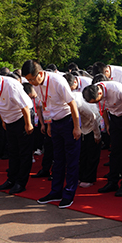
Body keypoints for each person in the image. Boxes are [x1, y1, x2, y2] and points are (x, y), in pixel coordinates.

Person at [22, 60, 82, 209]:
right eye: (28, 80)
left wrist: (76, 127)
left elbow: (72, 104)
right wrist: (48, 124)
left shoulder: (58, 81)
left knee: (71, 159)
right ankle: (56, 192)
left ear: (40, 74)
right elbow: (45, 105)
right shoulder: (39, 85)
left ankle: (69, 194)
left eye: (32, 79)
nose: (31, 83)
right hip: (54, 123)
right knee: (58, 159)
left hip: (68, 121)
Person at [82, 78, 122, 197]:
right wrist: (108, 124)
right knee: (115, 150)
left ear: (100, 93)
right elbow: (103, 109)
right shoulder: (94, 91)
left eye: (96, 101)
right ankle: (113, 181)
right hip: (114, 118)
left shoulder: (117, 90)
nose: (95, 102)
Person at [0, 71, 34, 195]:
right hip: (8, 119)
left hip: (22, 118)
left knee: (24, 152)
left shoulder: (12, 86)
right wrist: (3, 121)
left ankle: (21, 182)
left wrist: (28, 124)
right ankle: (11, 179)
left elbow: (25, 107)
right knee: (12, 151)